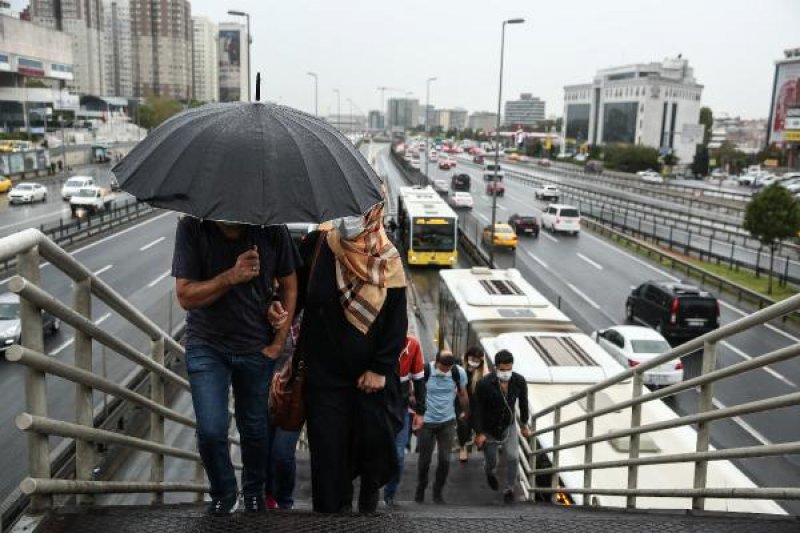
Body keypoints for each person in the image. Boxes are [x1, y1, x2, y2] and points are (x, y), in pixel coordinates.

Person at [276, 203, 407, 514]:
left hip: (370, 385)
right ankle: (330, 518)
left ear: (375, 213)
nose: (348, 217)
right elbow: (293, 292)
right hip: (323, 378)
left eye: (359, 209)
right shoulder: (318, 245)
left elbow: (396, 322)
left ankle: (367, 506)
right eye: (344, 207)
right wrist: (276, 308)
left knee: (370, 453)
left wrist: (379, 368)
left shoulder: (388, 258)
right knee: (327, 460)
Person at [172, 217, 300, 516]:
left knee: (254, 428)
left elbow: (290, 286)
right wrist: (232, 275)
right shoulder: (192, 227)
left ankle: (254, 491)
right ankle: (224, 492)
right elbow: (185, 296)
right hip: (207, 345)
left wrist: (278, 341)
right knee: (211, 430)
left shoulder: (271, 229)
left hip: (256, 346)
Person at [473, 349, 530, 504]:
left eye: (508, 369)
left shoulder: (519, 381)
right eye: (502, 370)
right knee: (492, 461)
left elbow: (523, 403)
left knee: (513, 457)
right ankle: (489, 471)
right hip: (488, 428)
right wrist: (479, 433)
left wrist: (524, 424)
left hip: (508, 425)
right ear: (495, 367)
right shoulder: (484, 384)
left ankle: (509, 488)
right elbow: (477, 409)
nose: (506, 373)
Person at [414, 349, 468, 504]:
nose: (445, 371)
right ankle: (421, 486)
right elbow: (415, 393)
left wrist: (465, 412)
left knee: (445, 459)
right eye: (443, 368)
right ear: (436, 362)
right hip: (427, 422)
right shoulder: (425, 371)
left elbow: (463, 393)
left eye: (448, 369)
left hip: (447, 421)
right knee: (424, 460)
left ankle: (438, 491)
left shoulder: (458, 373)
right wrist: (417, 415)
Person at [383, 334, 426, 506]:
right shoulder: (378, 339)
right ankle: (368, 496)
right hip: (376, 407)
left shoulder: (412, 345)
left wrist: (420, 412)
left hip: (400, 408)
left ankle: (389, 495)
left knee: (399, 457)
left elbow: (419, 381)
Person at [457, 346, 486, 462]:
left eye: (477, 360)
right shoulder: (460, 369)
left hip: (475, 403)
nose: (474, 363)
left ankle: (478, 441)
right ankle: (463, 446)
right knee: (463, 423)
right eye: (472, 359)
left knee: (477, 422)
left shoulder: (481, 374)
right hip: (462, 402)